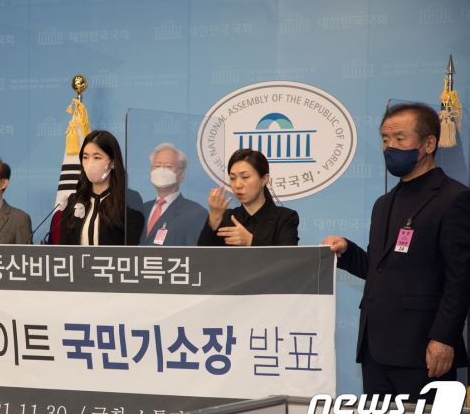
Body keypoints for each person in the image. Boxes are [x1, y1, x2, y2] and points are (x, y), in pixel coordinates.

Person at [322, 103, 470, 399]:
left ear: (429, 143)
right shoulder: (384, 203)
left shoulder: (454, 198)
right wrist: (347, 252)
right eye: (385, 139)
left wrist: (443, 338)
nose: (390, 147)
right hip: (375, 351)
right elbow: (380, 268)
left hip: (423, 351)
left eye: (400, 138)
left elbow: (461, 279)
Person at [197, 148, 298, 246]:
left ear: (264, 179)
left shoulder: (285, 218)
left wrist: (251, 242)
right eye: (232, 178)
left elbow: (288, 257)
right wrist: (214, 219)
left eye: (245, 177)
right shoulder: (226, 218)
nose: (238, 185)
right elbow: (202, 255)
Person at [58, 130, 144, 245]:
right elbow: (64, 247)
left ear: (112, 163)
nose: (90, 163)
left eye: (97, 157)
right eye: (85, 157)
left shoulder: (129, 199)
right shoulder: (73, 201)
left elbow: (133, 247)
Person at [141, 143, 207, 246]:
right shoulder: (141, 209)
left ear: (182, 174)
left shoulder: (195, 213)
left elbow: (196, 254)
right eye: (157, 166)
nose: (161, 170)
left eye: (168, 166)